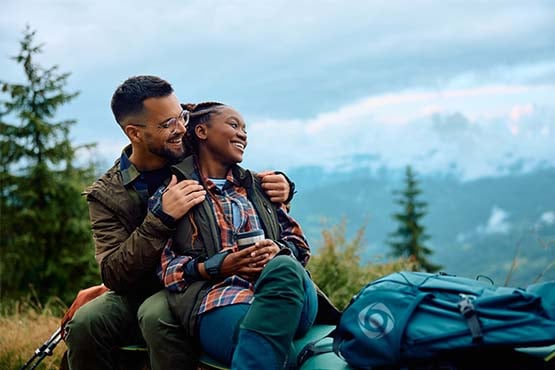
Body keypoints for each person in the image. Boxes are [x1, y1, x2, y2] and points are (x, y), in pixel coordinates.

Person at [64, 76, 295, 370]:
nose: (180, 128)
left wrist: (283, 186)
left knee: (155, 315)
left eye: (181, 117)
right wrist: (160, 219)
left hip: (204, 276)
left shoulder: (191, 139)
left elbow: (235, 174)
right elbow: (114, 273)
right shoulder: (108, 195)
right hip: (147, 285)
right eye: (167, 124)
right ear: (134, 133)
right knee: (86, 322)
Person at [158, 102, 339, 370]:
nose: (243, 134)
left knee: (285, 267)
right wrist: (219, 266)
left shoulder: (259, 188)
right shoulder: (176, 193)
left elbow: (300, 247)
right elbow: (167, 271)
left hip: (289, 293)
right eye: (233, 125)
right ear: (201, 131)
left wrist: (277, 251)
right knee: (277, 353)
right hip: (221, 299)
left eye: (245, 128)